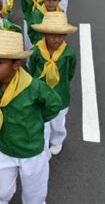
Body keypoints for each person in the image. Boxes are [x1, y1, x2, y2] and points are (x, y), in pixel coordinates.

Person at [0, 29, 62, 204]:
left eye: (1, 62)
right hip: (3, 146)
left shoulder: (34, 87)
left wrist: (37, 120)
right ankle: (2, 199)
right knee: (3, 189)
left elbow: (54, 104)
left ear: (16, 65)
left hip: (31, 150)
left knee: (34, 193)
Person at [29, 11, 77, 156]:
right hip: (40, 93)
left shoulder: (68, 53)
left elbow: (70, 73)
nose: (57, 39)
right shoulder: (37, 50)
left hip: (60, 94)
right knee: (42, 123)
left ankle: (57, 140)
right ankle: (43, 150)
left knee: (57, 121)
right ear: (44, 34)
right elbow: (32, 67)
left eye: (61, 35)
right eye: (52, 35)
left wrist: (62, 84)